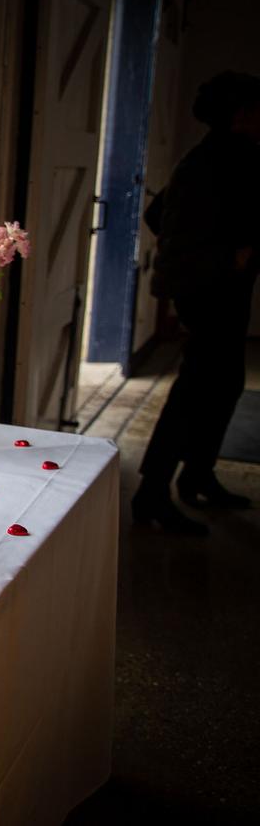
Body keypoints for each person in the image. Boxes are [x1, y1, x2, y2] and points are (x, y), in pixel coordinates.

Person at [132, 71, 260, 535]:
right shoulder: (218, 161)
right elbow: (160, 217)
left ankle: (198, 476)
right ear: (241, 115)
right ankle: (151, 493)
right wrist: (230, 255)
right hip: (208, 290)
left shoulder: (227, 155)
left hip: (220, 289)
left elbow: (156, 213)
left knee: (224, 384)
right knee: (196, 390)